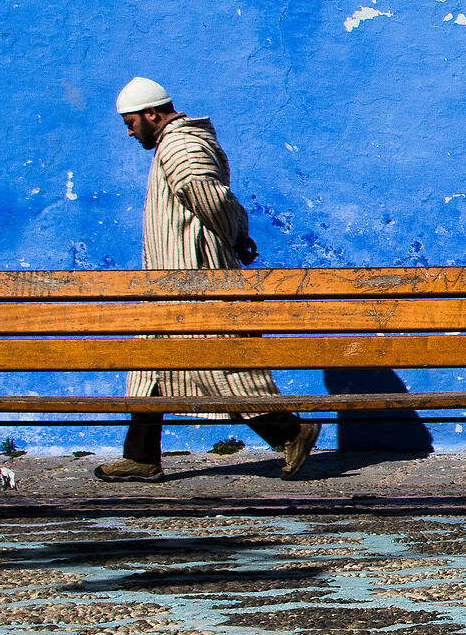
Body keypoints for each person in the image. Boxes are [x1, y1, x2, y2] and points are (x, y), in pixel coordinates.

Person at [101, 77, 320, 482]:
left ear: (151, 114)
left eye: (131, 123)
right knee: (151, 367)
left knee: (221, 365)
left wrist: (237, 235)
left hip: (196, 283)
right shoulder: (173, 145)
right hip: (171, 285)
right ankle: (140, 456)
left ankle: (291, 432)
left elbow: (209, 196)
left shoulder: (180, 145)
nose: (129, 132)